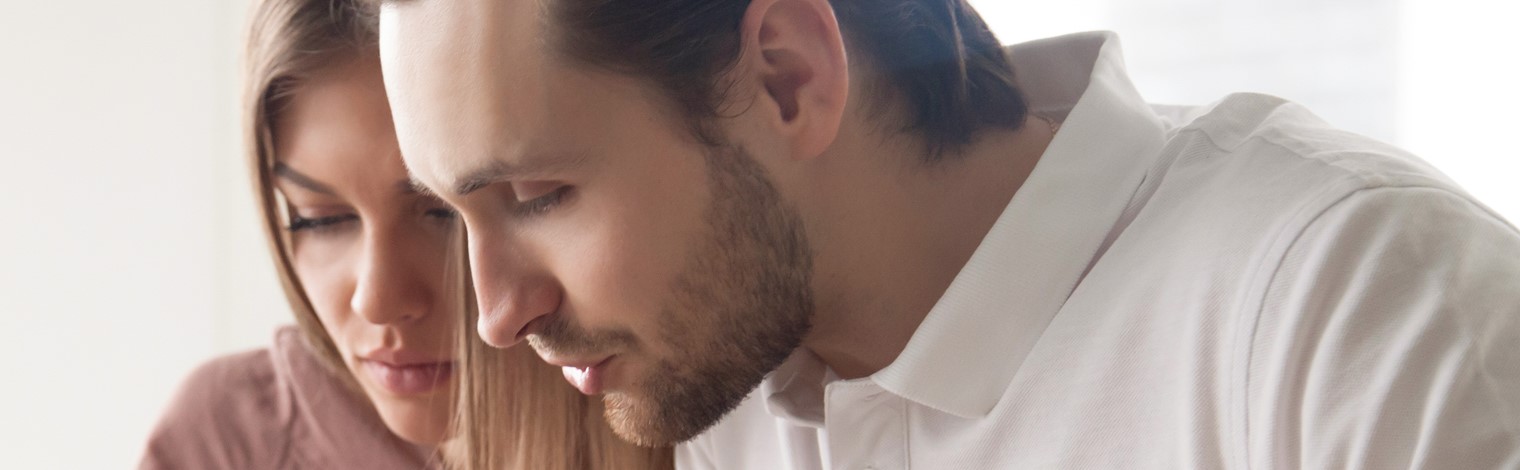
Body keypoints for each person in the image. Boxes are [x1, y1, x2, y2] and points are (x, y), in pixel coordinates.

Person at [372, 0, 1520, 468]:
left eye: (532, 195)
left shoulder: (1354, 304)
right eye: (450, 213)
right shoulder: (725, 385)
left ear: (783, 77)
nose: (492, 307)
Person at [139, 0, 668, 468]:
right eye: (318, 219)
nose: (380, 301)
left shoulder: (707, 400)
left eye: (441, 213)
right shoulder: (224, 443)